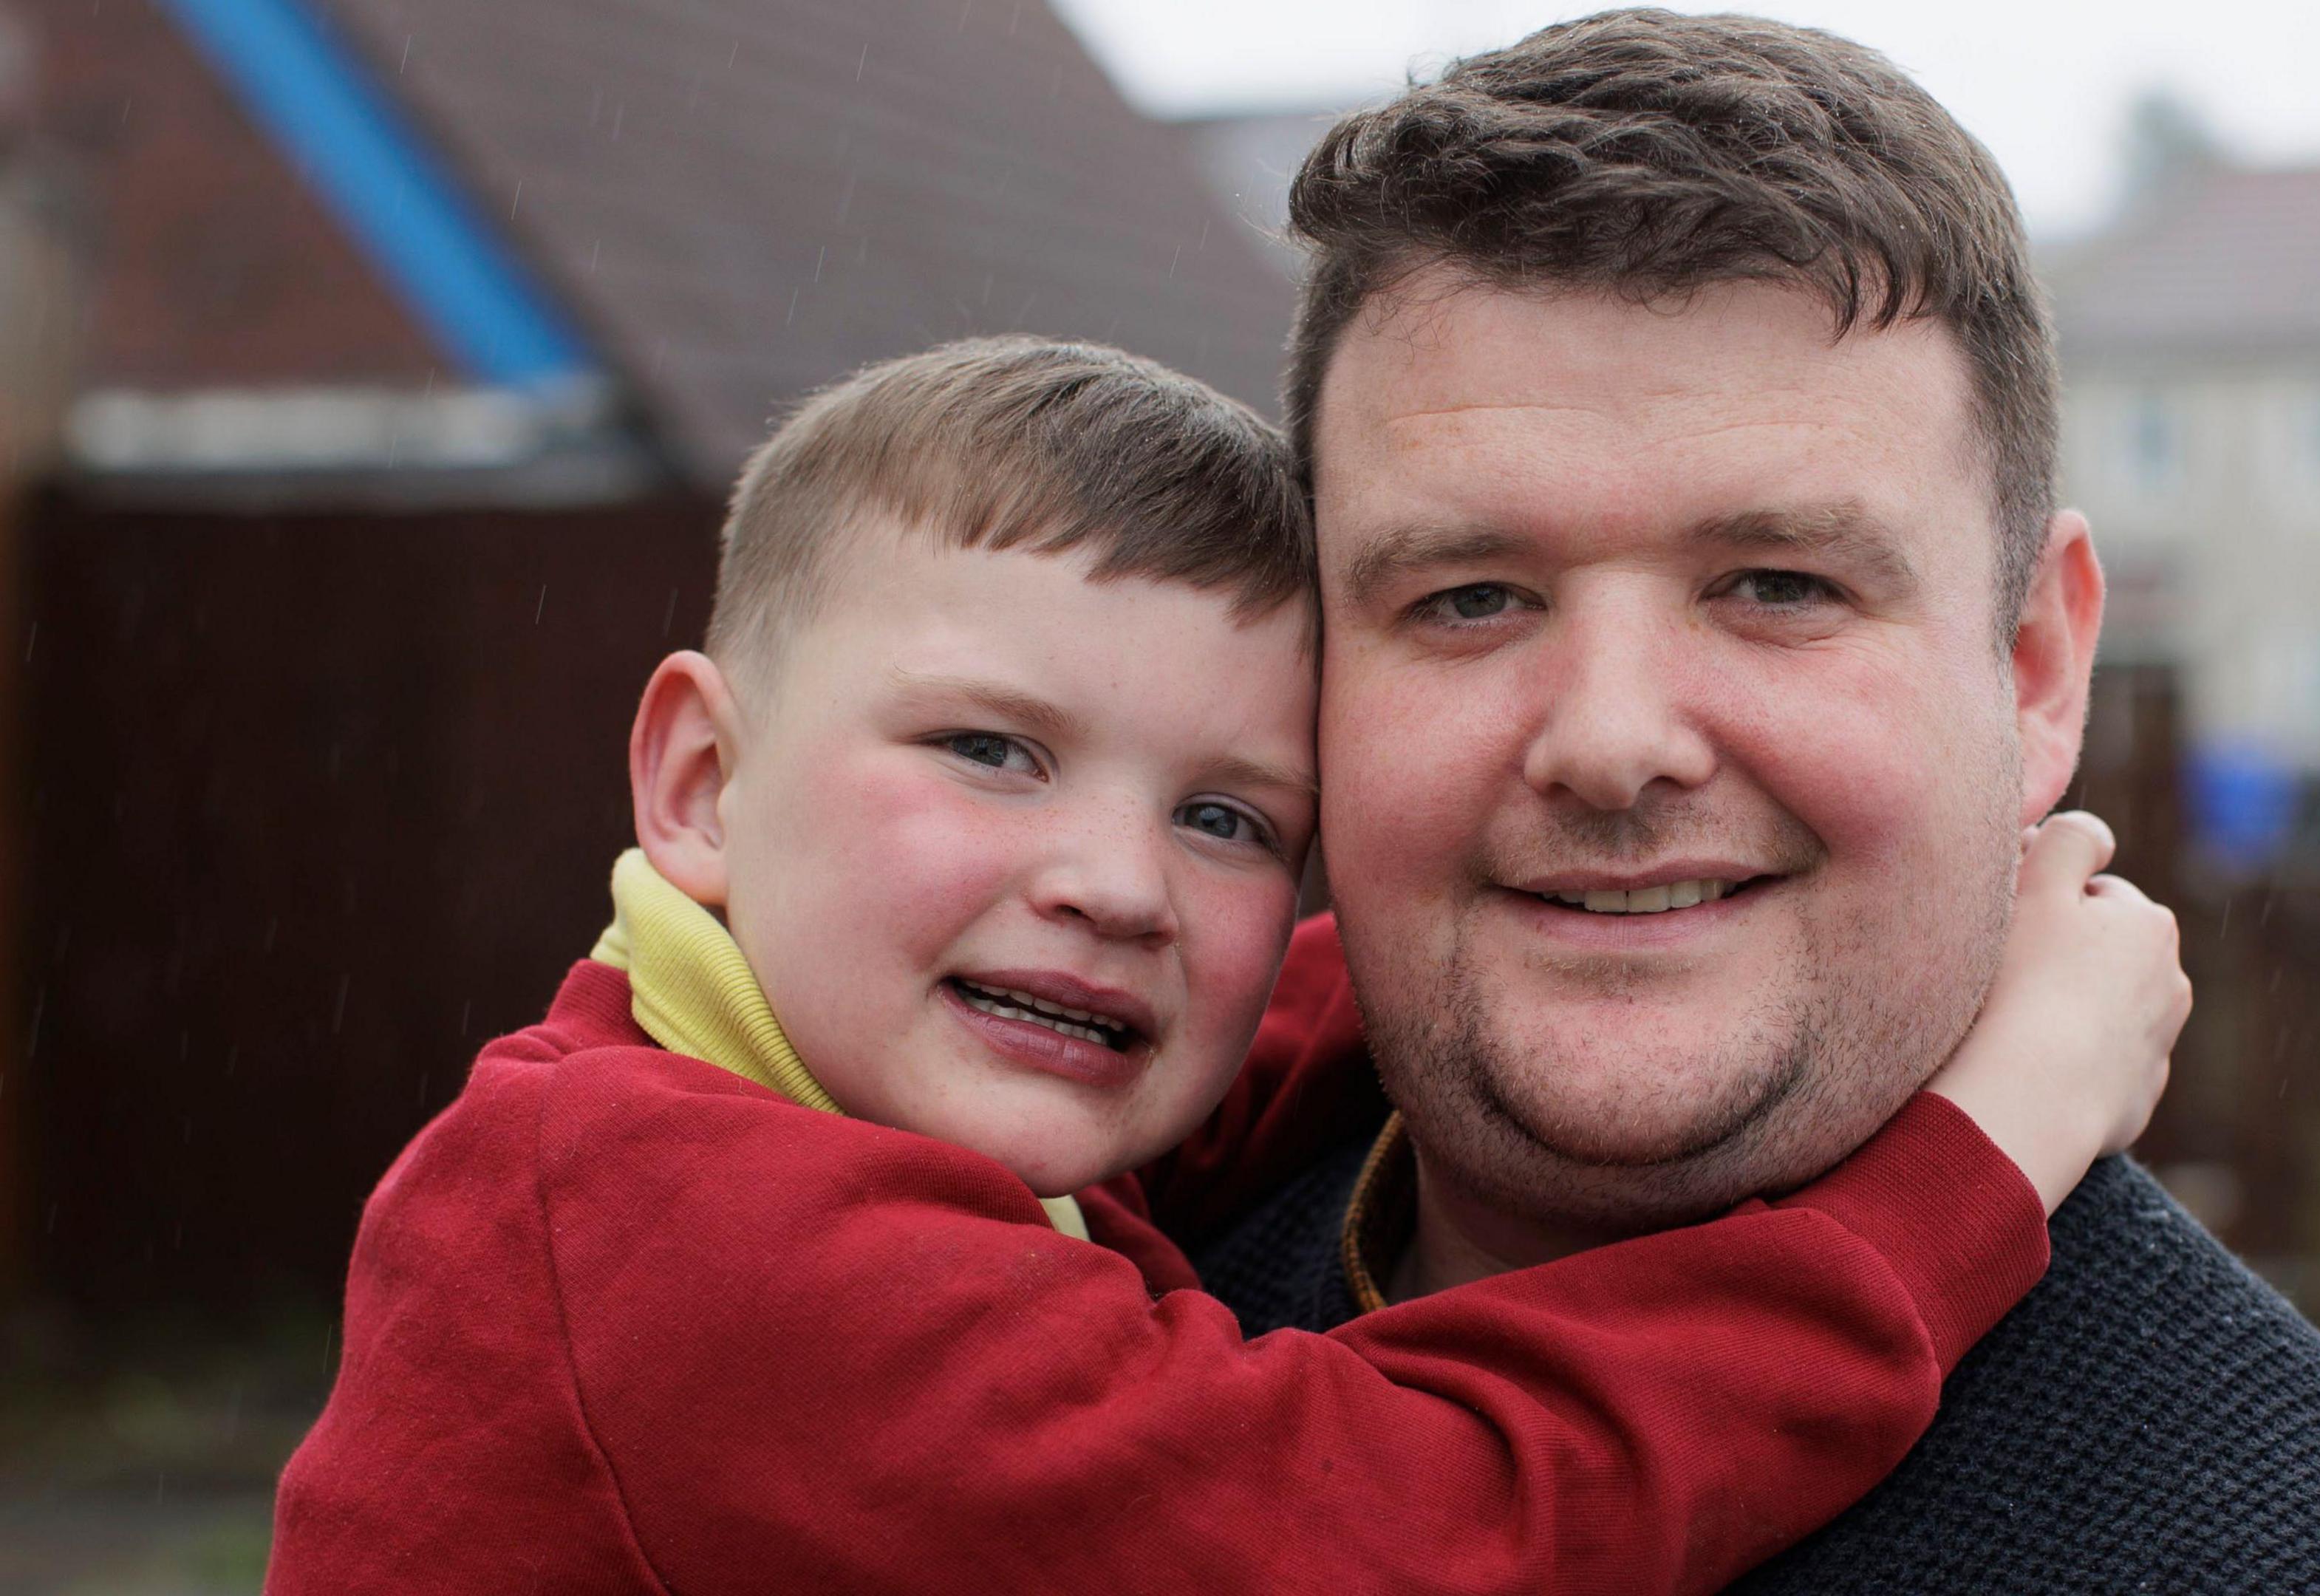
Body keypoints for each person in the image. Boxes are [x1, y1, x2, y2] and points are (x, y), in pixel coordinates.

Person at [267, 335, 2187, 1592]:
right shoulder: (696, 1245)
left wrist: (1569, 920)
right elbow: (1426, 1524)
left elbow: (1245, 1053)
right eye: (991, 752)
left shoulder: (746, 1094)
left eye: (1228, 821)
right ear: (702, 779)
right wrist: (1979, 1146)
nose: (1113, 886)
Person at [1190, 12, 2320, 1591]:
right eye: (1469, 596)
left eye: (1777, 583)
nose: (1614, 740)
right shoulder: (1059, 1297)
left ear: (2039, 666)